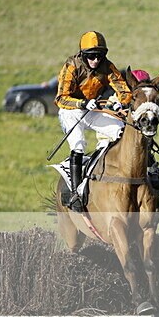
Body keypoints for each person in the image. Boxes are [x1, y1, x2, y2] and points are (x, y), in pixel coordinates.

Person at [55, 31, 131, 211]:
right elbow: (60, 98)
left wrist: (121, 101)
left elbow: (124, 90)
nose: (96, 60)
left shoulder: (107, 66)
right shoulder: (72, 65)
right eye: (91, 56)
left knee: (120, 130)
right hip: (70, 110)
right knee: (79, 144)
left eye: (100, 55)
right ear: (83, 54)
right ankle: (75, 194)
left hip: (92, 108)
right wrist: (81, 103)